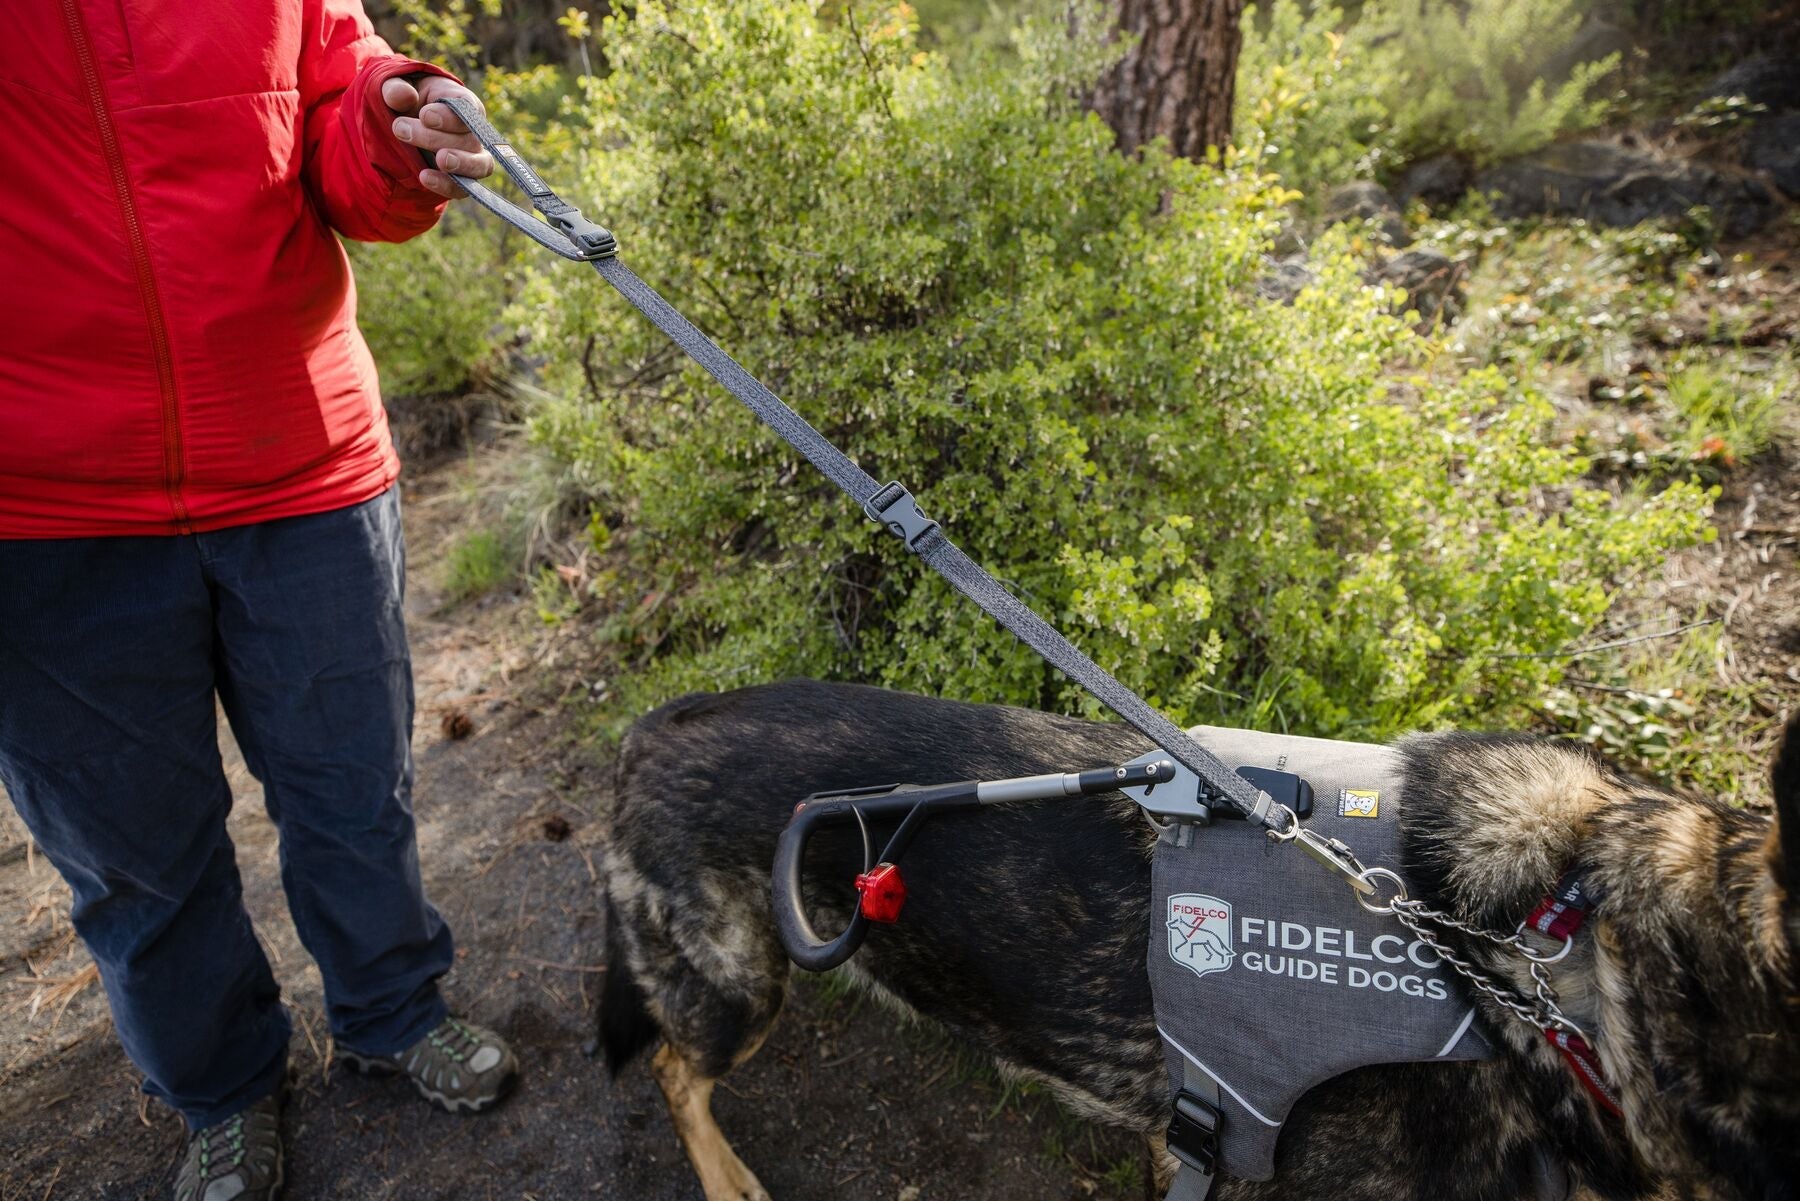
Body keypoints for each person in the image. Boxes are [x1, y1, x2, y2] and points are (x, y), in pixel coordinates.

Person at [0, 4, 517, 1198]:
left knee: (353, 785)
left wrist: (395, 125)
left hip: (301, 461)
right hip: (41, 514)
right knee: (134, 855)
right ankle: (223, 1089)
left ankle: (393, 1011)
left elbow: (337, 114)